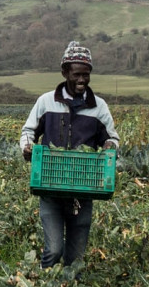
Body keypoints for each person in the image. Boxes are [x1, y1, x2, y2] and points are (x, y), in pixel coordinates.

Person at [20, 41, 119, 269]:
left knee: (75, 258)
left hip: (83, 191)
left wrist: (110, 147)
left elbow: (111, 138)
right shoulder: (46, 102)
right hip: (50, 186)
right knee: (54, 250)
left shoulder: (99, 107)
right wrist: (27, 147)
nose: (82, 80)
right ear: (65, 72)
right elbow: (28, 132)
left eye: (86, 75)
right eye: (76, 74)